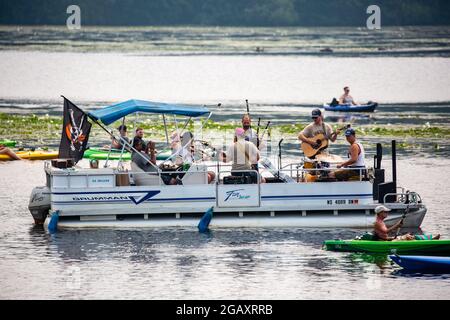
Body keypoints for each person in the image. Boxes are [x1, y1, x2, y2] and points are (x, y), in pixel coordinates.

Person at [373, 205, 440, 241]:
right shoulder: (378, 222)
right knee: (408, 236)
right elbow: (386, 232)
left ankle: (429, 239)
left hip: (388, 239)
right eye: (385, 212)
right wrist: (397, 225)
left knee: (410, 235)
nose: (387, 213)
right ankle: (430, 240)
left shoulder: (380, 221)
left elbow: (384, 233)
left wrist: (393, 235)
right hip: (385, 241)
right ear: (380, 213)